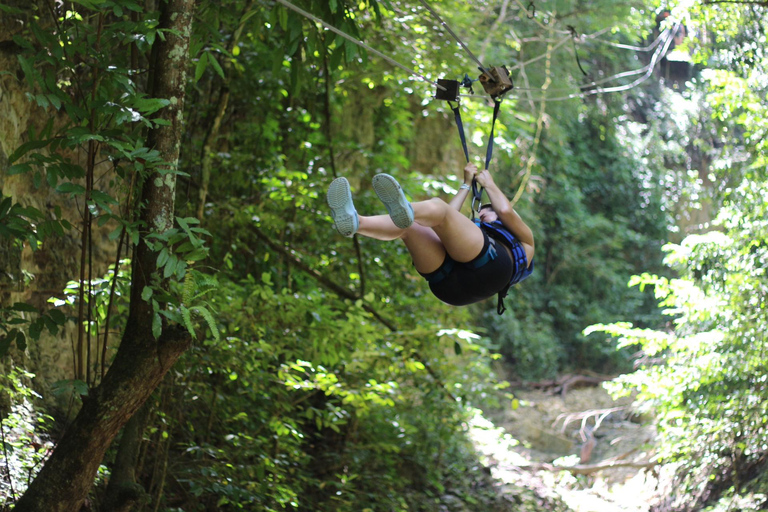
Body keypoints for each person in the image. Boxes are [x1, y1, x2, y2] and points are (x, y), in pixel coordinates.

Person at [326, 163, 534, 313]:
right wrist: (465, 185)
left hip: (492, 267)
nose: (479, 216)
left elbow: (505, 211)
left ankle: (408, 210)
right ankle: (357, 223)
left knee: (433, 211)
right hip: (449, 289)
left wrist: (489, 184)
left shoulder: (525, 241)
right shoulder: (476, 238)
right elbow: (439, 222)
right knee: (410, 226)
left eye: (486, 212)